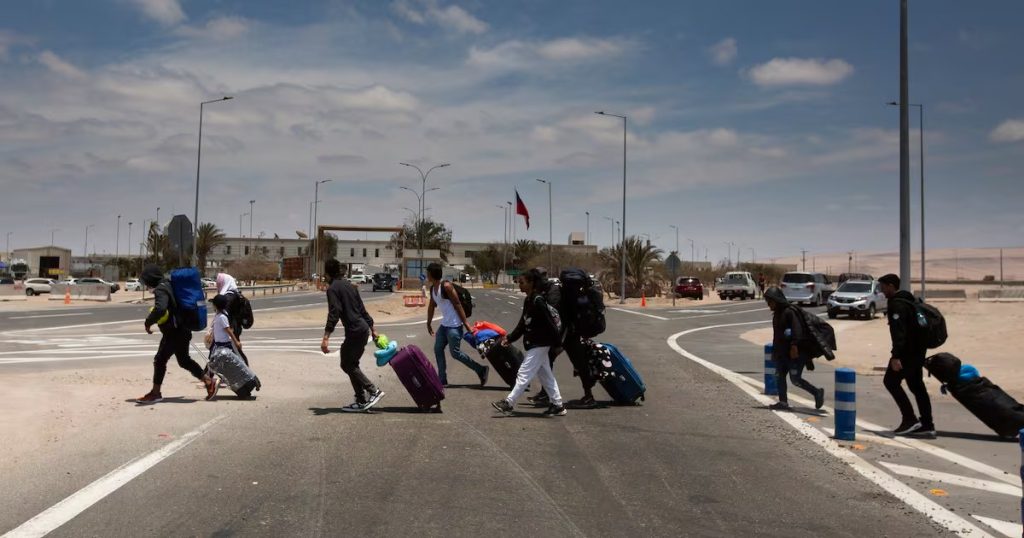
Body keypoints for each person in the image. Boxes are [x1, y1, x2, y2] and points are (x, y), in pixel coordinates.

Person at [136, 264, 217, 404]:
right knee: (184, 360)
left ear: (150, 279)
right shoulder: (169, 284)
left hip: (173, 333)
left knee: (160, 360)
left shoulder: (161, 289)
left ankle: (155, 393)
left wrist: (148, 322)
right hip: (183, 329)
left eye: (146, 281)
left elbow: (160, 308)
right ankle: (209, 382)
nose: (146, 285)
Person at [492, 268, 567, 417]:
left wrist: (558, 344)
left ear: (532, 283)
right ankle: (558, 405)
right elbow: (523, 323)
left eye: (522, 282)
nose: (519, 285)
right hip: (535, 342)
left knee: (524, 373)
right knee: (545, 374)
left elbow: (550, 323)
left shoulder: (538, 300)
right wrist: (510, 338)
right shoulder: (529, 299)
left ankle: (509, 402)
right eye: (518, 282)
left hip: (541, 342)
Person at [320, 259, 385, 412]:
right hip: (361, 329)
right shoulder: (350, 285)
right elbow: (362, 309)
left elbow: (334, 313)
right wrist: (373, 328)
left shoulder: (332, 289)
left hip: (355, 330)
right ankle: (361, 400)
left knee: (347, 364)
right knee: (351, 364)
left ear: (328, 273)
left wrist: (326, 337)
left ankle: (373, 391)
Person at [878, 273, 935, 437]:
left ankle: (910, 419)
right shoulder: (910, 301)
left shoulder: (897, 305)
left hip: (906, 354)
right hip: (918, 353)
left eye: (883, 287)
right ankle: (927, 424)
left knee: (890, 382)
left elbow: (899, 333)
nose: (881, 291)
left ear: (890, 286)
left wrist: (896, 356)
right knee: (917, 387)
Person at [425, 262, 489, 387]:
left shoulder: (447, 286)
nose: (426, 275)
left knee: (455, 353)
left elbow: (458, 304)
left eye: (427, 272)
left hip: (454, 326)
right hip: (444, 326)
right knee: (438, 349)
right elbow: (431, 306)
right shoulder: (433, 288)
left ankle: (481, 370)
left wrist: (466, 324)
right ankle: (442, 380)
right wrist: (428, 323)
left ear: (432, 274)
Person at [763, 287, 825, 411]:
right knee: (780, 376)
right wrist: (776, 352)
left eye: (770, 301)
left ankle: (817, 392)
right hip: (782, 353)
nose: (769, 304)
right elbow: (777, 335)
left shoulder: (789, 312)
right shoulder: (777, 315)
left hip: (794, 353)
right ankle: (783, 402)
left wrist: (794, 346)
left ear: (777, 300)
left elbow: (797, 330)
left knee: (795, 379)